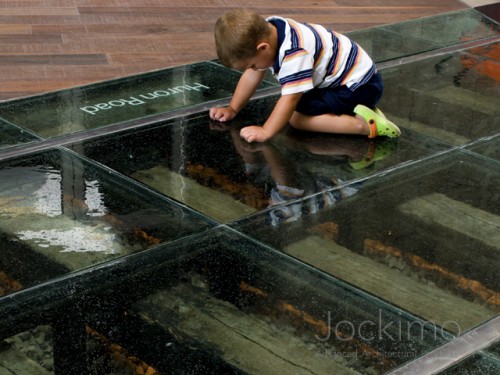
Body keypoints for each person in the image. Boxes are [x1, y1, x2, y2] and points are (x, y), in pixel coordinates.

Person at [209, 9, 401, 143]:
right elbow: (252, 75)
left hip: (359, 87)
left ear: (263, 48)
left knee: (295, 119)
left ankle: (364, 126)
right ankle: (357, 112)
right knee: (293, 109)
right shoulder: (271, 28)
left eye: (252, 64)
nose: (253, 69)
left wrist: (266, 131)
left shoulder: (294, 53)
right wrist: (233, 108)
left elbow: (291, 98)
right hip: (351, 79)